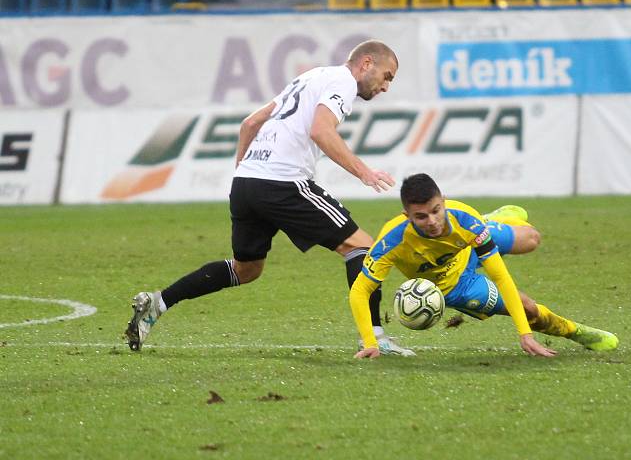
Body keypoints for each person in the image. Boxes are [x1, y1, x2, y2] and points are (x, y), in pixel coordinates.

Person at [125, 40, 414, 356]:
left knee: (246, 268)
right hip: (284, 183)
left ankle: (158, 303)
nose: (386, 86)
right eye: (387, 76)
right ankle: (373, 338)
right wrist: (363, 172)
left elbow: (250, 123)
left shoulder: (310, 77)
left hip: (248, 183)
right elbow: (321, 130)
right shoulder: (342, 81)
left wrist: (242, 171)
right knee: (361, 246)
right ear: (366, 63)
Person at [349, 173, 619, 358]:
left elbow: (501, 276)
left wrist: (521, 333)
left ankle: (492, 221)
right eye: (421, 217)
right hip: (454, 286)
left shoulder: (465, 219)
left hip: (470, 243)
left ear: (443, 202)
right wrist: (371, 343)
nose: (431, 221)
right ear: (406, 215)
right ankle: (578, 332)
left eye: (436, 210)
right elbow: (360, 291)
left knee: (532, 238)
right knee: (527, 309)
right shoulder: (391, 241)